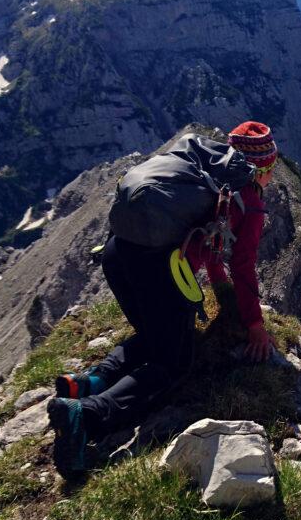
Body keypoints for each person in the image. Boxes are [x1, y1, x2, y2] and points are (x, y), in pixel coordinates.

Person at [47, 121, 279, 478]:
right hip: (155, 268)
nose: (271, 179)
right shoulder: (247, 199)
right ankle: (88, 417)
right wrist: (254, 324)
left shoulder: (203, 176)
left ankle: (90, 382)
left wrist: (221, 292)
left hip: (117, 253)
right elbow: (243, 265)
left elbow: (216, 254)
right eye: (271, 170)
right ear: (261, 169)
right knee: (174, 362)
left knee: (159, 333)